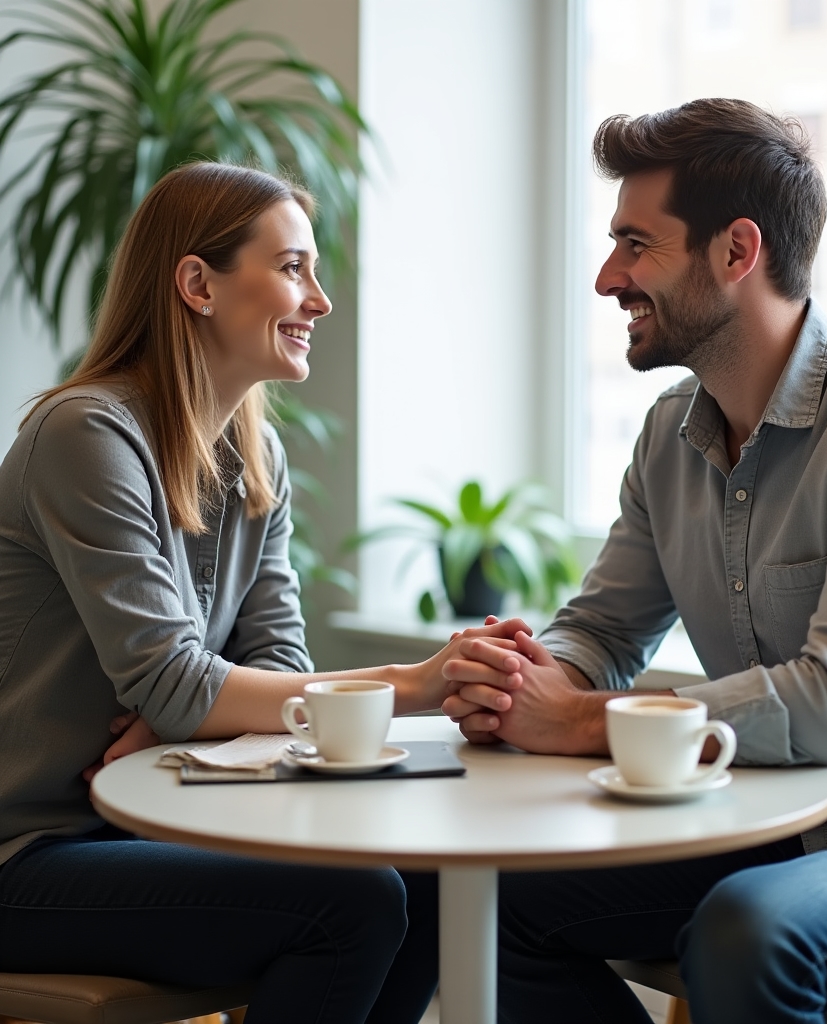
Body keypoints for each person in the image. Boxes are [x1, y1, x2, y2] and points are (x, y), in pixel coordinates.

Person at [440, 98, 827, 1023]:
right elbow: (600, 629)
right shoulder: (670, 432)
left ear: (736, 253)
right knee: (481, 899)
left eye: (637, 245)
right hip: (777, 826)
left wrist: (578, 721)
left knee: (751, 931)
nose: (606, 277)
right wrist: (521, 681)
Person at [0, 162, 526, 1024]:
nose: (319, 299)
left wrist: (179, 714)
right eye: (292, 268)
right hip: (28, 852)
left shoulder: (260, 460)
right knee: (351, 904)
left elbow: (277, 657)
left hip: (146, 823)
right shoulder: (86, 434)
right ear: (197, 284)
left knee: (430, 881)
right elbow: (176, 684)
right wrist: (415, 681)